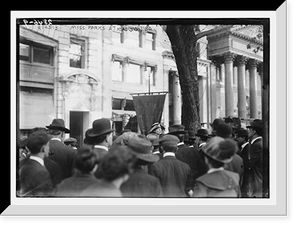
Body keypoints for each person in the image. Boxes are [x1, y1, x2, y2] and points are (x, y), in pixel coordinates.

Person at [19, 131, 53, 197]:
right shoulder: (41, 173)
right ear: (43, 148)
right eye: (48, 145)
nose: (49, 148)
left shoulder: (24, 165)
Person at [242, 119, 263, 198]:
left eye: (249, 129)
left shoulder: (256, 145)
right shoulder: (259, 143)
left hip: (256, 183)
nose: (248, 131)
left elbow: (247, 164)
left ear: (254, 131)